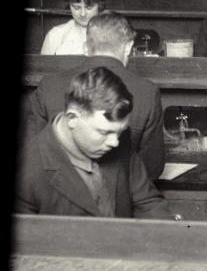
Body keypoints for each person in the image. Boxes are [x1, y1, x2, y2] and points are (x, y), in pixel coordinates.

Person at [16, 65, 172, 218]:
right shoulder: (27, 172)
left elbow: (147, 202)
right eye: (104, 132)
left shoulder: (119, 138)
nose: (114, 142)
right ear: (72, 119)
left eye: (120, 131)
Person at [27, 12, 165, 181]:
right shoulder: (147, 91)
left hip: (56, 196)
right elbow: (152, 167)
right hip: (118, 198)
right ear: (128, 46)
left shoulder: (49, 85)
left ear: (85, 47)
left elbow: (32, 154)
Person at [40, 0, 104, 55]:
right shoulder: (55, 35)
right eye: (76, 8)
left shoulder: (112, 35)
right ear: (69, 6)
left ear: (99, 6)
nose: (82, 14)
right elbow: (43, 66)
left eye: (89, 8)